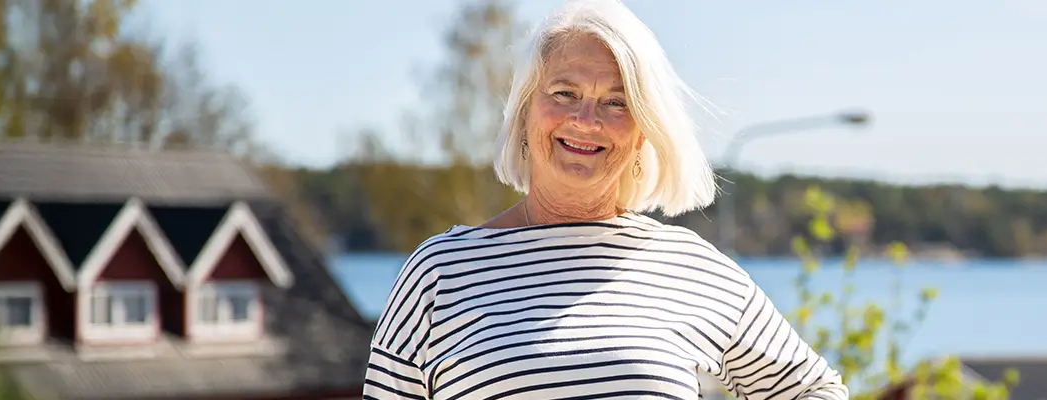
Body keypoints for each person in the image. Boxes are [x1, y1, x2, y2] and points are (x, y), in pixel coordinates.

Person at [361, 1, 848, 399]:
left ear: (642, 133)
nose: (586, 121)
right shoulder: (440, 272)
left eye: (616, 102)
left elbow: (817, 391)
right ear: (525, 112)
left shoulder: (692, 268)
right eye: (564, 93)